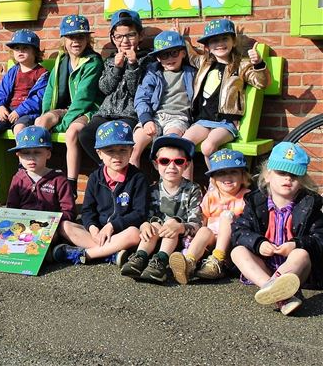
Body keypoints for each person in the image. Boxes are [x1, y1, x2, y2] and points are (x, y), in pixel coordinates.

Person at [231, 142, 323, 316]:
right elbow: (238, 230)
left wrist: (296, 244)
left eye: (294, 175)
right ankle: (276, 291)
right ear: (267, 176)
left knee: (301, 254)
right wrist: (258, 244)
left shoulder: (309, 206)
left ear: (302, 181)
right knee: (238, 252)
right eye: (281, 173)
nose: (287, 179)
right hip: (264, 265)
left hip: (298, 272)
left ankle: (277, 287)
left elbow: (320, 238)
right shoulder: (255, 202)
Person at [53, 121, 147, 264]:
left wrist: (112, 226)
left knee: (134, 234)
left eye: (123, 150)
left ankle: (86, 254)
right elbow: (87, 210)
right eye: (110, 151)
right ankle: (111, 254)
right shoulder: (94, 178)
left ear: (131, 151)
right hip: (99, 233)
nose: (117, 156)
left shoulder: (138, 178)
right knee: (64, 226)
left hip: (122, 232)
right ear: (99, 153)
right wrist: (92, 228)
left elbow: (139, 213)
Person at [182, 19, 269, 167]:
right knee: (183, 144)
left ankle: (215, 182)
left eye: (224, 39)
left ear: (233, 41)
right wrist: (183, 39)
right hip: (203, 120)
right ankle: (187, 185)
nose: (220, 44)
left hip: (225, 123)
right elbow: (191, 56)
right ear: (208, 46)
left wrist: (258, 63)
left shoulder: (242, 65)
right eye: (214, 41)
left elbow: (261, 83)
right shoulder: (204, 63)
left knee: (207, 146)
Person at [34, 15, 103, 198]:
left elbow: (84, 98)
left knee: (72, 132)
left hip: (88, 108)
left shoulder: (92, 62)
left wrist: (62, 125)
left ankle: (71, 185)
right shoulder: (61, 61)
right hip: (67, 108)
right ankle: (34, 175)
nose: (76, 41)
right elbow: (50, 91)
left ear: (88, 39)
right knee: (41, 122)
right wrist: (47, 113)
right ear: (64, 39)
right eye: (71, 37)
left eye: (80, 37)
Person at [120, 135, 202, 283]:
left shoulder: (192, 190)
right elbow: (144, 216)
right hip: (153, 239)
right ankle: (139, 258)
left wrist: (180, 227)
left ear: (186, 164)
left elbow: (197, 224)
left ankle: (160, 264)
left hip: (179, 242)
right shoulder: (152, 189)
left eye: (178, 161)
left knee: (170, 224)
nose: (171, 166)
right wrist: (144, 224)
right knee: (153, 225)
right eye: (165, 161)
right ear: (156, 164)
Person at [78, 9, 152, 165]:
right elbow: (104, 88)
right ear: (113, 38)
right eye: (119, 36)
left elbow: (135, 91)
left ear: (140, 36)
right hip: (106, 112)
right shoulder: (110, 60)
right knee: (86, 134)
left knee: (120, 139)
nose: (125, 41)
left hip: (130, 114)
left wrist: (132, 65)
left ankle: (120, 170)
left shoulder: (147, 60)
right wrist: (117, 68)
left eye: (130, 35)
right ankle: (106, 168)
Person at [168, 148, 250, 284]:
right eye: (221, 173)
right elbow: (204, 219)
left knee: (226, 215)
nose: (227, 177)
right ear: (214, 179)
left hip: (232, 244)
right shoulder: (211, 196)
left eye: (233, 172)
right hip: (211, 242)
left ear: (243, 176)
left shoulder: (247, 197)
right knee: (204, 230)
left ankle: (217, 261)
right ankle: (189, 262)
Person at [0, 29, 49, 180]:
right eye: (17, 48)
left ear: (35, 51)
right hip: (8, 110)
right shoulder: (13, 72)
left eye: (25, 48)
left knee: (20, 129)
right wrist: (0, 107)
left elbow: (39, 98)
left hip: (27, 113)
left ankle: (22, 167)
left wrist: (20, 111)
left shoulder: (42, 73)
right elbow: (1, 93)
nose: (20, 51)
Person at [130, 31, 195, 167]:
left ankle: (181, 186)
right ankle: (131, 185)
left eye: (174, 53)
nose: (170, 58)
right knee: (133, 147)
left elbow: (208, 59)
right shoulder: (153, 73)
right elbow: (142, 98)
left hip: (178, 118)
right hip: (154, 117)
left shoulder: (192, 73)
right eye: (164, 54)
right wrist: (146, 120)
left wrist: (186, 41)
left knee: (172, 147)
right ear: (158, 58)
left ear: (183, 53)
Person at [1, 126, 75, 243]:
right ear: (18, 156)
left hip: (48, 228)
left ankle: (52, 252)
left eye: (37, 152)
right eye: (26, 153)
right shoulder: (18, 178)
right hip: (23, 226)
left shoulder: (59, 179)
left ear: (48, 154)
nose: (31, 158)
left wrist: (52, 221)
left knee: (60, 231)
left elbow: (68, 211)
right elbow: (11, 208)